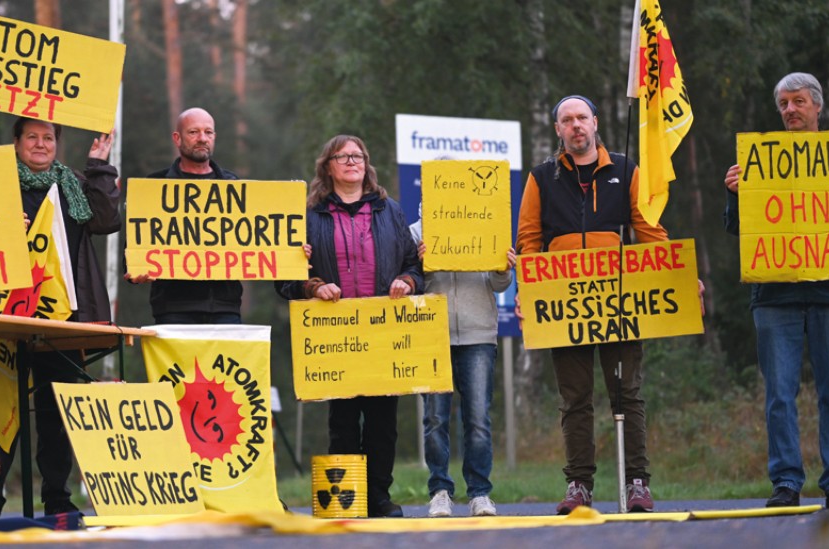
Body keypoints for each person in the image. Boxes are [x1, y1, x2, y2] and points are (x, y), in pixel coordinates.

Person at [516, 95, 668, 514]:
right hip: (564, 308)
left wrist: (679, 274)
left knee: (628, 395)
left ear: (596, 123)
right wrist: (528, 292)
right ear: (558, 130)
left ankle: (636, 482)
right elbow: (528, 241)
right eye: (567, 120)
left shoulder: (625, 168)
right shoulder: (541, 177)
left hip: (619, 302)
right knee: (575, 399)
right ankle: (579, 485)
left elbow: (649, 230)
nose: (576, 125)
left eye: (582, 117)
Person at [0, 117, 121, 520]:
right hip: (2, 316)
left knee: (55, 412)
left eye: (48, 138)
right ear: (16, 142)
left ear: (57, 144)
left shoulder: (72, 184)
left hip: (60, 322)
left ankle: (57, 500)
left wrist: (99, 165)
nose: (40, 144)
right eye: (32, 137)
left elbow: (106, 220)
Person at [723, 73, 829, 509]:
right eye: (783, 103)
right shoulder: (758, 162)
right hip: (774, 296)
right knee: (779, 394)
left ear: (817, 106)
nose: (790, 110)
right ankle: (786, 481)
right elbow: (737, 229)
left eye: (798, 101)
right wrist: (736, 195)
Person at [277, 135, 422, 518]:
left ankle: (379, 499)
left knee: (382, 423)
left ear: (367, 164)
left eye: (358, 155)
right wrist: (313, 284)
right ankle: (347, 500)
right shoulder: (310, 216)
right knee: (342, 421)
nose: (352, 162)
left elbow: (414, 264)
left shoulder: (390, 211)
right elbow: (285, 278)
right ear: (328, 166)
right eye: (343, 156)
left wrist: (406, 282)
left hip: (383, 331)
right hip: (333, 335)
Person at [410, 211, 515, 518]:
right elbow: (410, 283)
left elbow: (500, 284)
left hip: (478, 332)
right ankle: (440, 491)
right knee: (435, 419)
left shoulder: (484, 224)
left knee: (478, 418)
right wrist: (421, 264)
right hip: (432, 334)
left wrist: (502, 267)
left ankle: (480, 494)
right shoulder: (415, 233)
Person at [130, 107, 242, 324]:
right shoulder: (154, 185)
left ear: (215, 137)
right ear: (177, 138)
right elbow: (137, 240)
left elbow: (256, 240)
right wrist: (134, 269)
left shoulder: (233, 185)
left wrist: (288, 248)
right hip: (173, 309)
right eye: (193, 132)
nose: (202, 138)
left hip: (224, 308)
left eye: (208, 133)